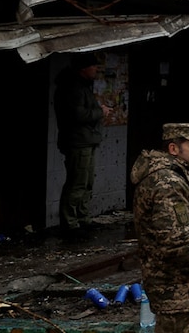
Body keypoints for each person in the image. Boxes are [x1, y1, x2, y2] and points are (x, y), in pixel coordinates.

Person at [131, 123, 189, 333]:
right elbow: (175, 238)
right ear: (173, 149)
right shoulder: (167, 182)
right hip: (177, 289)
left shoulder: (177, 177)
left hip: (183, 290)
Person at [54, 53, 112, 239]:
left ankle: (82, 218)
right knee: (77, 183)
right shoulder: (72, 88)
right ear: (83, 69)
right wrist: (99, 111)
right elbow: (79, 115)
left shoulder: (80, 86)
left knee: (86, 182)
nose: (96, 70)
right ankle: (70, 223)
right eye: (93, 66)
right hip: (78, 141)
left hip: (85, 140)